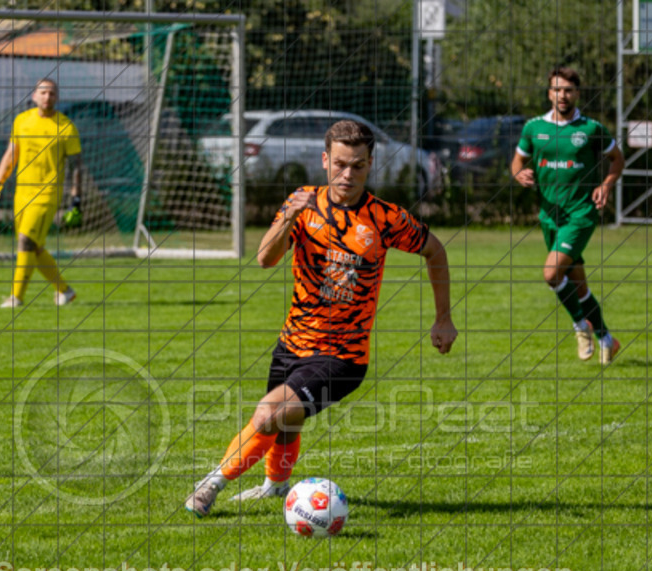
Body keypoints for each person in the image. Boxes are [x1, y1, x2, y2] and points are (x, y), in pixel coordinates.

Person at [185, 119, 459, 518]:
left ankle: (210, 484)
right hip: (292, 342)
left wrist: (443, 318)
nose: (348, 174)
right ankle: (276, 486)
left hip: (342, 357)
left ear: (370, 164)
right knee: (285, 423)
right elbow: (265, 259)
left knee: (268, 415)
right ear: (325, 160)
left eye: (359, 166)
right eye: (341, 164)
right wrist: (289, 218)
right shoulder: (302, 201)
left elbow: (436, 251)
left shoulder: (385, 218)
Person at [511, 66, 626, 365]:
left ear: (577, 93)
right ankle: (606, 340)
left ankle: (580, 327)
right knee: (579, 286)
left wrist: (606, 184)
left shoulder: (591, 130)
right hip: (550, 217)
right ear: (549, 93)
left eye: (569, 90)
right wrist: (519, 174)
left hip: (581, 215)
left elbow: (617, 160)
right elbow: (517, 161)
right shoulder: (534, 128)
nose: (563, 95)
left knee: (551, 274)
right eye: (557, 89)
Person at [0, 78, 83, 308]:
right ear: (34, 96)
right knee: (34, 247)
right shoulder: (22, 121)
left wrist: (76, 199)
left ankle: (16, 297)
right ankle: (65, 291)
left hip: (48, 195)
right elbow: (11, 155)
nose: (47, 97)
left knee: (25, 241)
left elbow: (76, 166)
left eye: (51, 93)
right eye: (43, 92)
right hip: (22, 194)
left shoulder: (66, 127)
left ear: (56, 98)